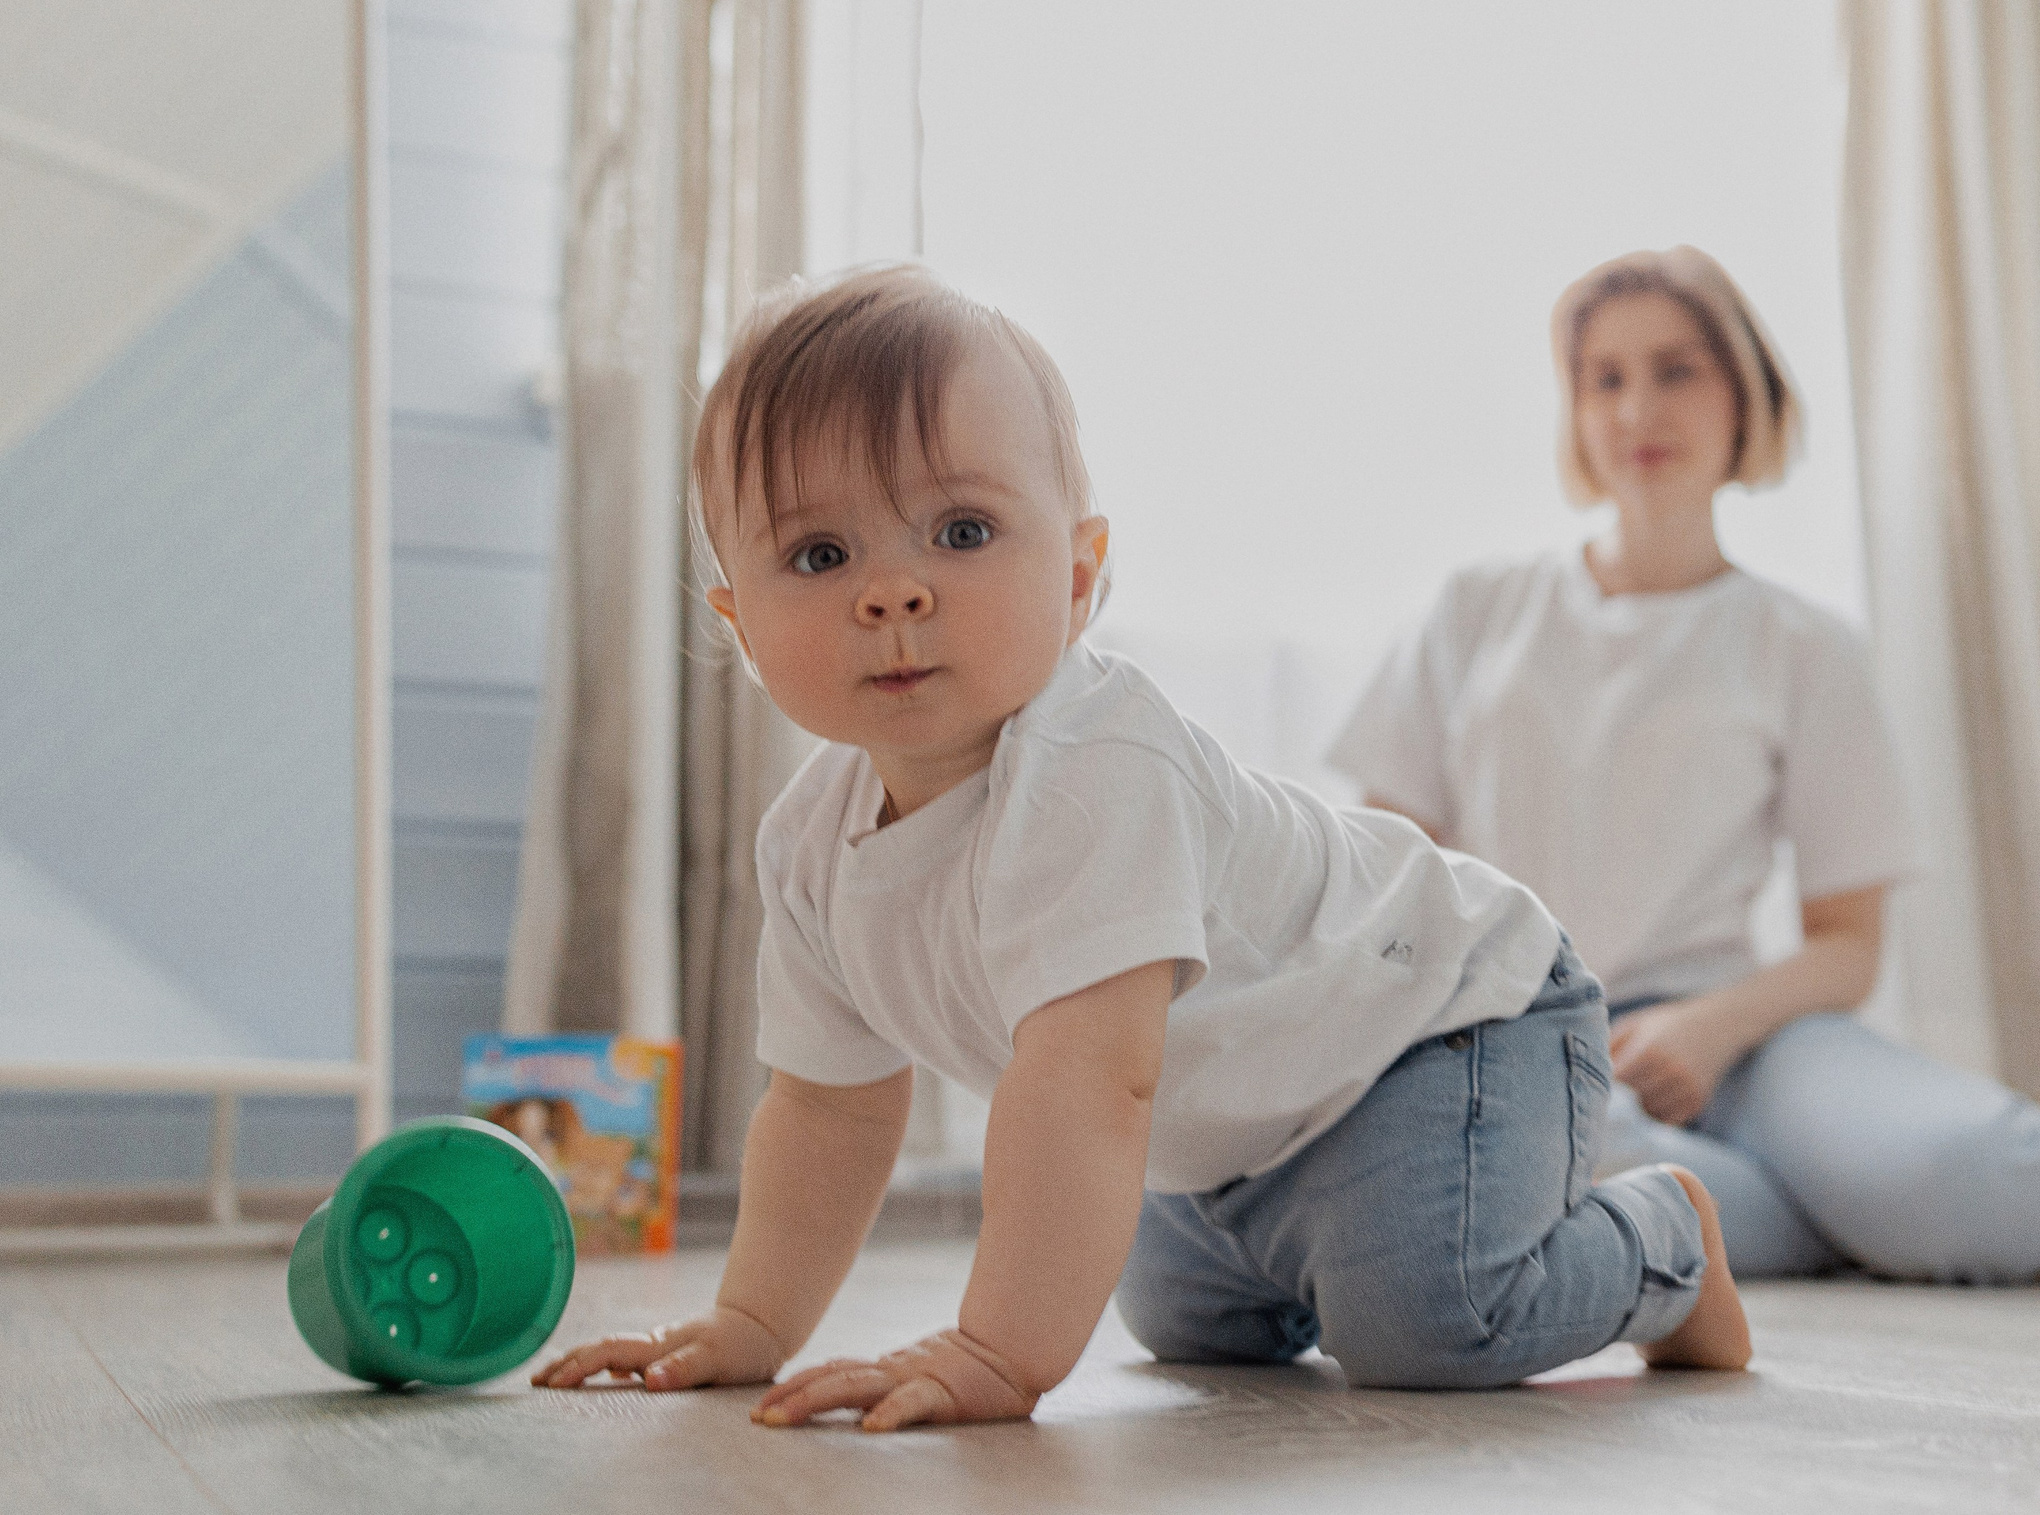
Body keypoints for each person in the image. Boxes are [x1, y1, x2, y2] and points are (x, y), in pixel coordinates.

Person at [532, 266, 1750, 1431]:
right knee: (1183, 1319)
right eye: (819, 555)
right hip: (1250, 1116)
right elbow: (826, 1110)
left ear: (1078, 576)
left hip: (1447, 1018)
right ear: (737, 620)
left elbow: (1087, 1086)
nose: (891, 594)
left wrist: (996, 1353)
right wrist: (752, 1319)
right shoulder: (810, 844)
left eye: (961, 531)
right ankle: (1314, 1239)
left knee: (1429, 1326)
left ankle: (1665, 1238)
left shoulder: (1095, 771)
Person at [1329, 246, 2040, 1284]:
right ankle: (1853, 1226)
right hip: (1519, 1032)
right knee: (1539, 1168)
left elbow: (1847, 947)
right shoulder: (1475, 610)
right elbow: (1385, 877)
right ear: (1576, 411)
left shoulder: (1803, 645)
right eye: (1606, 378)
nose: (1638, 410)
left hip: (1740, 1039)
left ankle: (1944, 1199)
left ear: (1745, 397)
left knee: (1995, 1175)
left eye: (1676, 370)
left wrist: (1709, 1029)